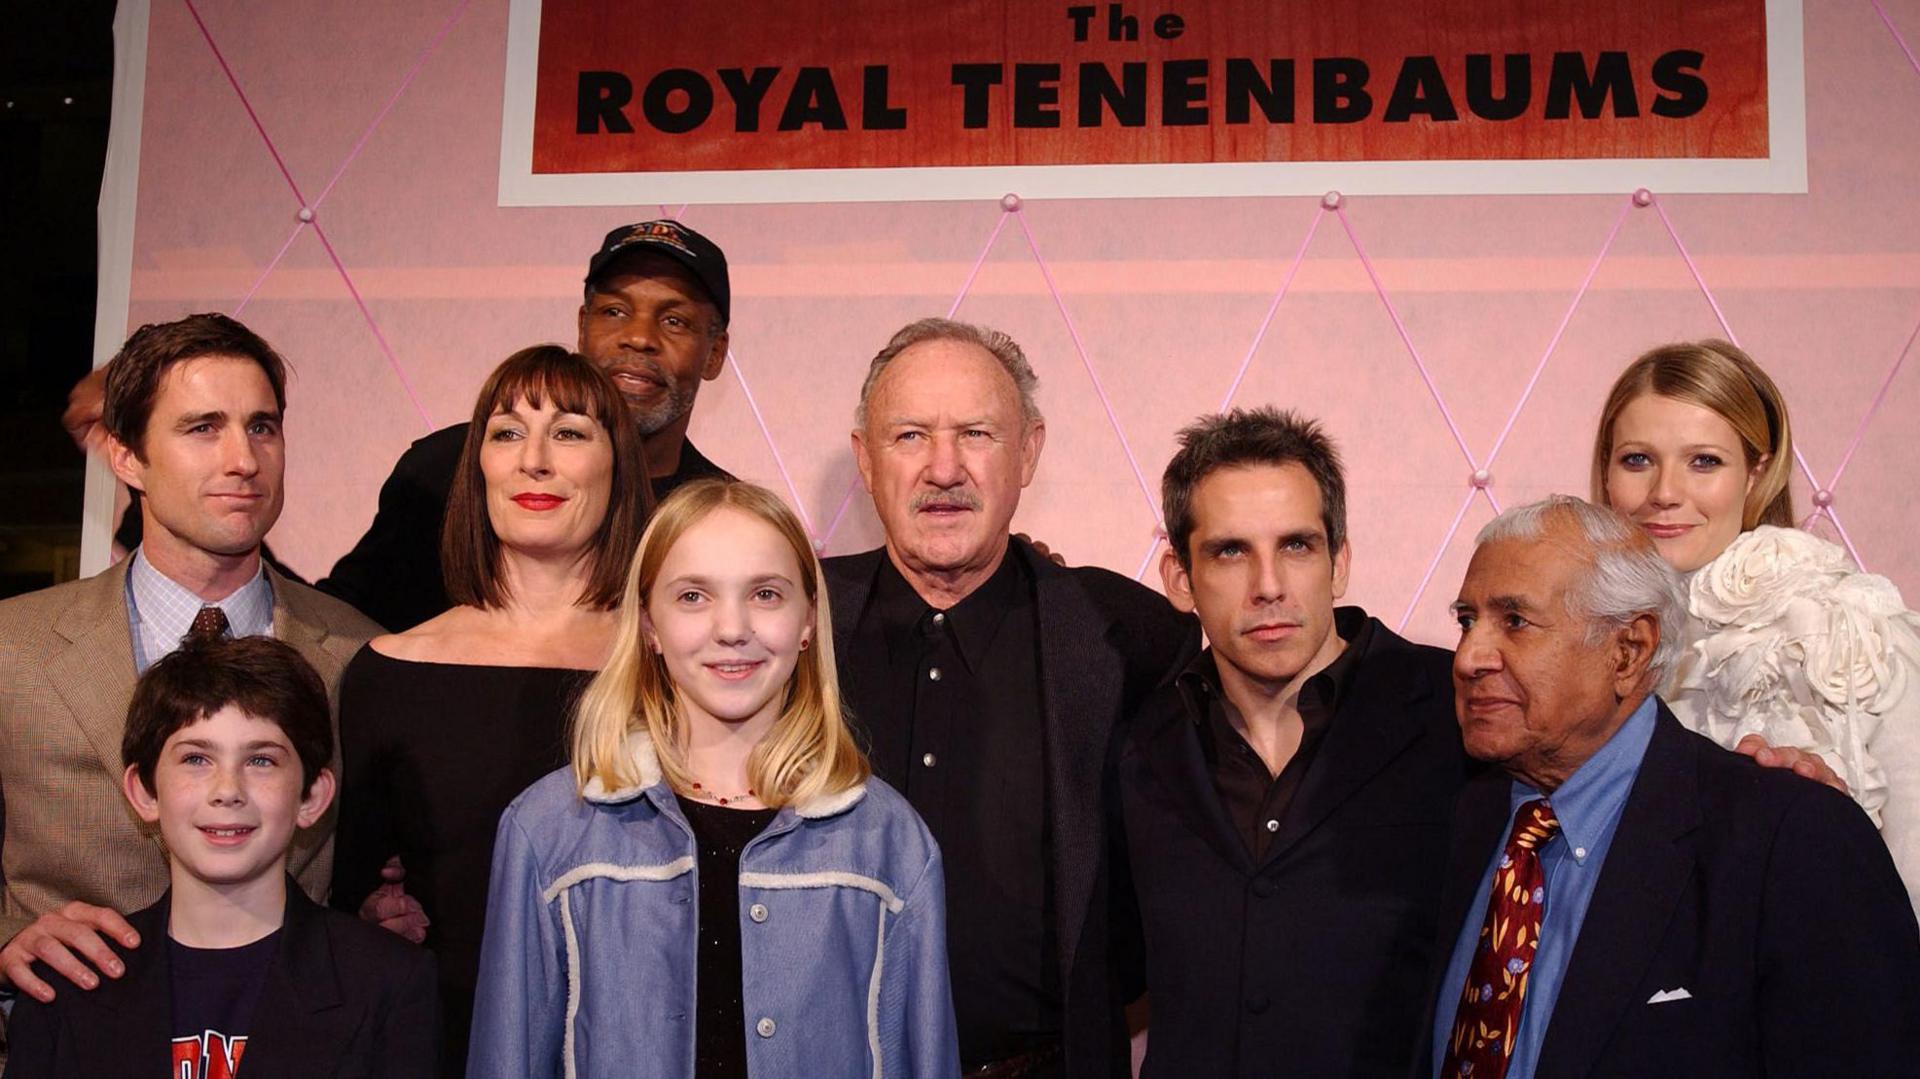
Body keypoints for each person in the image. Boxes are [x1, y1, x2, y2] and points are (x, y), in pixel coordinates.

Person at [470, 479, 957, 1078]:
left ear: (808, 619)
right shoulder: (546, 832)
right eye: (694, 596)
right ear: (649, 623)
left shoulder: (891, 843)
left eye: (766, 594)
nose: (732, 627)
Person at [1425, 495, 1920, 1078]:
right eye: (1466, 621)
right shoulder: (1457, 816)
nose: (1469, 656)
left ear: (1628, 651)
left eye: (1514, 621)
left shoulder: (1790, 837)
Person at [824, 317, 1197, 1076]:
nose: (944, 467)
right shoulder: (792, 623)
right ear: (865, 459)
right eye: (909, 436)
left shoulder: (1124, 634)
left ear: (1028, 451)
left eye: (977, 434)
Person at [64, 221, 737, 631]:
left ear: (715, 353)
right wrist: (166, 489)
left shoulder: (727, 520)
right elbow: (336, 629)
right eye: (614, 312)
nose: (638, 338)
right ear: (581, 325)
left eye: (674, 320)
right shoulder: (445, 470)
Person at [0, 314, 380, 1017]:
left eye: (262, 426)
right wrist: (5, 942)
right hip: (60, 1045)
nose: (243, 458)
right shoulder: (12, 649)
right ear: (126, 457)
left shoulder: (364, 657)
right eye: (203, 427)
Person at [1112, 408, 1470, 1077]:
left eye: (1297, 546)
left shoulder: (1454, 715)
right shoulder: (1139, 745)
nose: (1268, 585)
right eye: (1230, 551)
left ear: (1339, 563)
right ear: (1179, 579)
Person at [329, 345, 646, 1075]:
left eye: (569, 432)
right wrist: (370, 917)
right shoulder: (388, 670)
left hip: (638, 1041)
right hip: (440, 1043)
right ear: (479, 468)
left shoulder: (675, 663)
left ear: (618, 467)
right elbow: (346, 895)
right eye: (506, 432)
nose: (533, 459)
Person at [1, 635, 438, 1077]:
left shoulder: (388, 981)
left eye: (261, 761)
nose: (228, 790)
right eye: (195, 759)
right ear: (144, 791)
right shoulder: (69, 981)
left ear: (312, 796)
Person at [1593, 339, 1920, 909]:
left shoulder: (1851, 630)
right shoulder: (1579, 641)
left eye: (1704, 461)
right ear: (1606, 472)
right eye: (1638, 460)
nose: (1665, 493)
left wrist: (1832, 830)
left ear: (1756, 472)